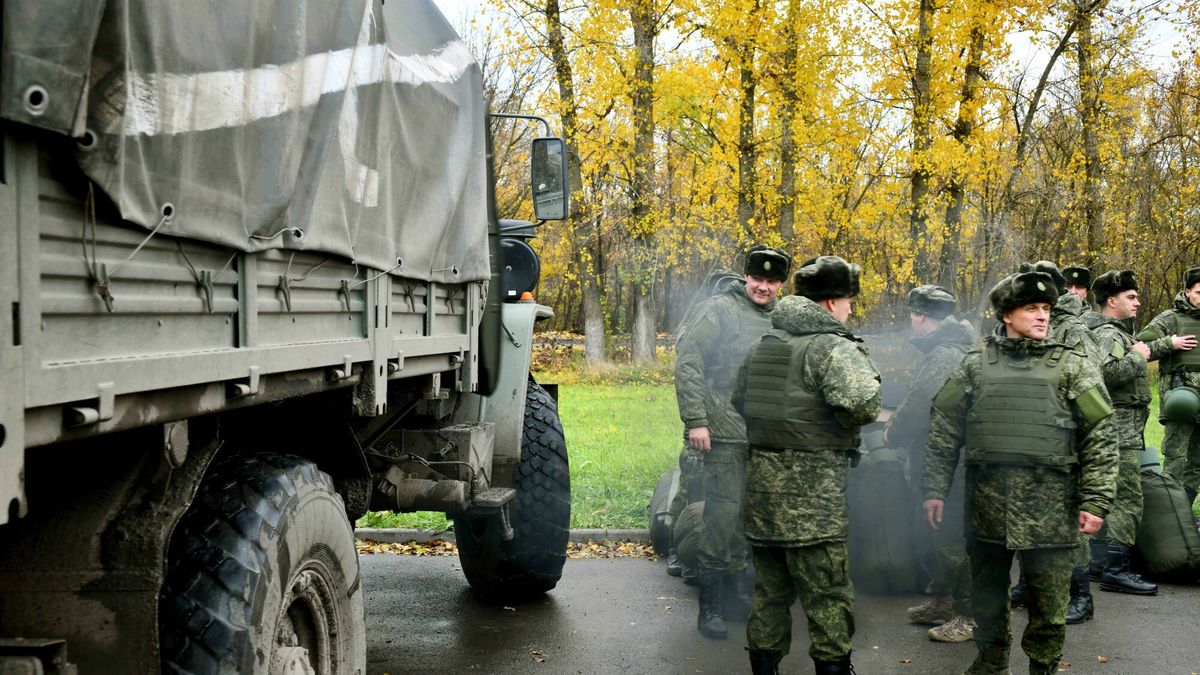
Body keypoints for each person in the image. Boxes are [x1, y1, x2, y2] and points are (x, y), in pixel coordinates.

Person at [922, 271, 1119, 675]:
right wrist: (934, 490)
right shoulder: (973, 367)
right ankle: (990, 663)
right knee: (987, 599)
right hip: (986, 512)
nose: (1044, 316)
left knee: (1048, 608)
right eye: (1033, 308)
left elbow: (1100, 434)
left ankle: (1042, 668)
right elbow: (943, 431)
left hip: (1052, 512)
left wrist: (1096, 499)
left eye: (1047, 308)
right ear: (1006, 315)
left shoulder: (1072, 366)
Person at [733, 256, 881, 675]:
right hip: (813, 502)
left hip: (762, 494)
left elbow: (741, 402)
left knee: (769, 594)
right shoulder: (831, 348)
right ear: (832, 302)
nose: (851, 309)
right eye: (849, 300)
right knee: (828, 595)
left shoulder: (764, 347)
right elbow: (863, 404)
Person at [675, 245, 791, 639]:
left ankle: (736, 591)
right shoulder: (720, 310)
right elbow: (690, 361)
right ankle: (708, 603)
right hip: (722, 431)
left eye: (772, 281)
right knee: (722, 515)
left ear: (781, 285)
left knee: (750, 517)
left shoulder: (783, 317)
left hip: (764, 434)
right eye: (757, 279)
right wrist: (697, 420)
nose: (763, 287)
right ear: (746, 277)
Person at [1010, 261, 1100, 613]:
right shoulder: (1025, 322)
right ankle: (1026, 585)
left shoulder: (1071, 328)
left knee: (1069, 523)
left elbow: (1092, 382)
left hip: (1066, 437)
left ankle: (1080, 596)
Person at [888, 285, 977, 642]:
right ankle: (943, 600)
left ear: (921, 317)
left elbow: (921, 403)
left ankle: (968, 616)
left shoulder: (944, 355)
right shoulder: (951, 349)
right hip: (944, 456)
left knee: (952, 537)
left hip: (952, 460)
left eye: (913, 315)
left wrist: (893, 431)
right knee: (939, 533)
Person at [666, 270, 742, 579]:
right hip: (702, 413)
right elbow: (688, 361)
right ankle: (679, 547)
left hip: (732, 416)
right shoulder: (701, 320)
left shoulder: (740, 320)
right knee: (691, 478)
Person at [1089, 270, 1158, 597]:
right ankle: (1116, 571)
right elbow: (1105, 374)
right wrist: (1138, 356)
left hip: (1120, 429)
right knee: (1127, 498)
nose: (1138, 302)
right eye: (1131, 297)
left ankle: (1102, 564)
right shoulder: (1110, 335)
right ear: (1111, 301)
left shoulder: (1116, 333)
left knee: (1107, 495)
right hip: (1118, 431)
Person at [1135, 267, 1200, 508]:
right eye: (1199, 293)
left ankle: (1185, 507)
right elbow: (1140, 345)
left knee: (1197, 461)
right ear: (1187, 292)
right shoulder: (1170, 318)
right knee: (1175, 455)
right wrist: (1170, 343)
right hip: (1181, 399)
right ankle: (1170, 510)